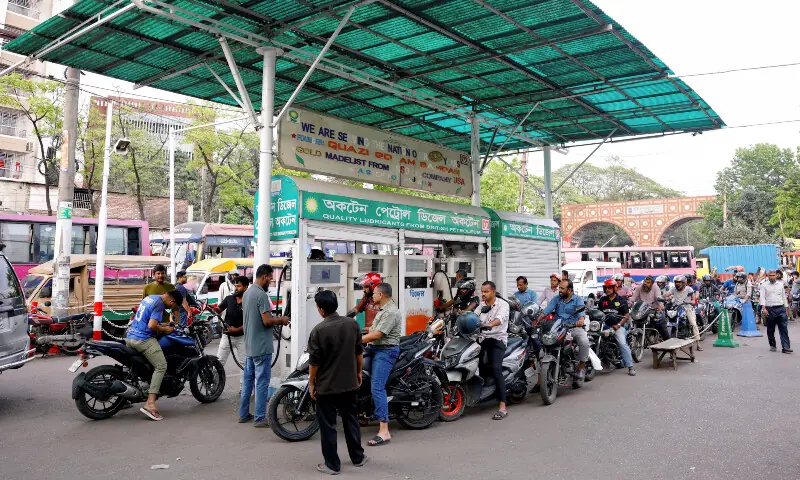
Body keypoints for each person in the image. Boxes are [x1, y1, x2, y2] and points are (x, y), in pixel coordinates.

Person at [308, 291, 367, 475]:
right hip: (349, 383)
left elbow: (314, 363)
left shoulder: (318, 331)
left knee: (328, 425)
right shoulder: (352, 324)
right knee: (351, 420)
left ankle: (332, 465)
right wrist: (358, 372)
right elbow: (359, 352)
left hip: (327, 386)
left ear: (321, 310)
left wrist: (311, 383)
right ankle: (358, 457)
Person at [239, 264, 289, 427]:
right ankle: (260, 417)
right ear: (265, 276)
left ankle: (244, 413)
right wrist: (281, 320)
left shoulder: (247, 293)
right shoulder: (261, 295)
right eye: (270, 278)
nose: (271, 281)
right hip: (261, 346)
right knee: (261, 382)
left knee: (248, 381)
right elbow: (267, 321)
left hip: (250, 346)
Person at [126, 290, 183, 421]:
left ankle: (127, 398)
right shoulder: (160, 304)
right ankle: (150, 404)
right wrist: (164, 329)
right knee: (161, 365)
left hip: (130, 336)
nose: (170, 308)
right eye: (172, 306)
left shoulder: (151, 298)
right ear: (172, 301)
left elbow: (147, 320)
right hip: (142, 339)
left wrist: (162, 325)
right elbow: (152, 325)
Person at [360, 283, 401, 447]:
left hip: (385, 352)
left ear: (381, 295)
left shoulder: (390, 311)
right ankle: (362, 414)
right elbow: (373, 330)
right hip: (375, 348)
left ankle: (384, 430)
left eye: (375, 294)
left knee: (377, 386)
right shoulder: (383, 310)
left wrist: (354, 340)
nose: (372, 296)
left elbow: (378, 334)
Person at [539, 279, 590, 380]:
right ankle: (542, 377)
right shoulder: (556, 299)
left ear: (570, 290)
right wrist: (538, 318)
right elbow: (547, 310)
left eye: (562, 288)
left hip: (574, 328)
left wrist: (580, 320)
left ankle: (581, 367)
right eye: (560, 288)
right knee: (543, 347)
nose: (560, 290)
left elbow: (581, 313)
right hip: (558, 328)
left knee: (584, 341)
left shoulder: (577, 299)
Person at [477, 281, 510, 420]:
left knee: (496, 369)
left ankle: (503, 406)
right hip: (482, 339)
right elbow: (474, 317)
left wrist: (489, 324)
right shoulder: (481, 306)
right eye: (482, 291)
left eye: (486, 292)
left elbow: (500, 319)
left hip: (497, 339)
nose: (483, 294)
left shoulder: (503, 305)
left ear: (493, 292)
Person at [597, 279, 636, 376]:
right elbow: (598, 313)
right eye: (606, 288)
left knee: (622, 343)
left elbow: (627, 315)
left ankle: (630, 366)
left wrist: (618, 325)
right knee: (595, 338)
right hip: (605, 326)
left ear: (615, 288)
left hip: (618, 326)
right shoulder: (602, 300)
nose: (607, 290)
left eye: (609, 288)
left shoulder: (621, 300)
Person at [213, 275, 248, 367]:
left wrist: (237, 330)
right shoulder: (229, 299)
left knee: (244, 364)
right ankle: (216, 381)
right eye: (235, 286)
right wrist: (212, 308)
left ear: (245, 287)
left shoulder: (249, 301)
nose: (236, 288)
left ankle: (243, 382)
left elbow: (251, 322)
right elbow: (219, 309)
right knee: (219, 362)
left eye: (239, 286)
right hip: (226, 336)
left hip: (242, 337)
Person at [664, 275, 702, 350]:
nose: (677, 284)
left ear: (684, 283)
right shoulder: (673, 289)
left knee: (693, 324)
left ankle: (698, 343)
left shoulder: (689, 289)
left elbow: (693, 300)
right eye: (676, 282)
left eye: (679, 282)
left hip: (687, 308)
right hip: (676, 308)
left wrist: (690, 302)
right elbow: (666, 294)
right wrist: (661, 297)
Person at [760, 270, 792, 353]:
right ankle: (772, 345)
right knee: (770, 329)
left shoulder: (780, 285)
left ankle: (786, 347)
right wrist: (764, 309)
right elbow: (762, 297)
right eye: (770, 275)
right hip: (770, 309)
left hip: (781, 308)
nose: (772, 277)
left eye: (773, 275)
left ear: (776, 276)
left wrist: (787, 309)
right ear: (767, 276)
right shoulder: (764, 285)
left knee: (784, 329)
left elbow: (783, 296)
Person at [631, 275, 671, 342]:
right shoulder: (639, 288)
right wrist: (628, 301)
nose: (646, 284)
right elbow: (633, 298)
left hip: (654, 309)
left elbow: (658, 297)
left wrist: (660, 306)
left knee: (660, 324)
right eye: (645, 282)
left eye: (648, 283)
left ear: (652, 284)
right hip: (642, 310)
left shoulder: (655, 287)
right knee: (636, 321)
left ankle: (668, 342)